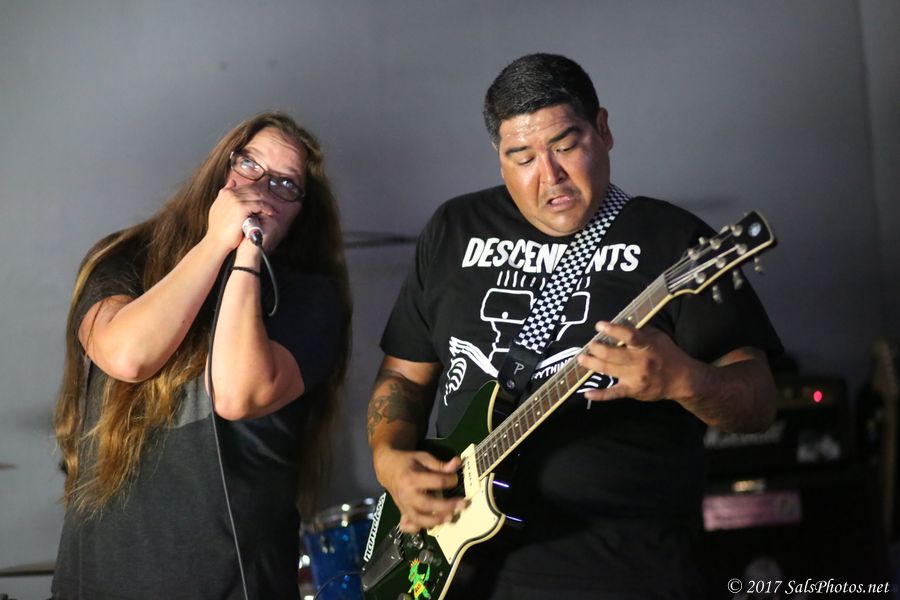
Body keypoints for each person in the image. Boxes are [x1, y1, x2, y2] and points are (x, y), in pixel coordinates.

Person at [366, 54, 782, 599]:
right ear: (498, 157)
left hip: (621, 573)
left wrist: (685, 380)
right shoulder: (453, 229)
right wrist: (389, 460)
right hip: (458, 569)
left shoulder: (675, 242)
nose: (550, 175)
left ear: (602, 130)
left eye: (565, 146)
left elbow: (759, 403)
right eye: (522, 157)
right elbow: (402, 377)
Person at [52, 111, 351, 600]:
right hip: (98, 583)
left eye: (285, 184)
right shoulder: (125, 258)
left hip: (235, 585)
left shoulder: (309, 298)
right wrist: (215, 243)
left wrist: (248, 253)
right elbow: (127, 357)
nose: (261, 188)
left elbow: (236, 394)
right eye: (249, 165)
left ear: (301, 212)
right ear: (221, 169)